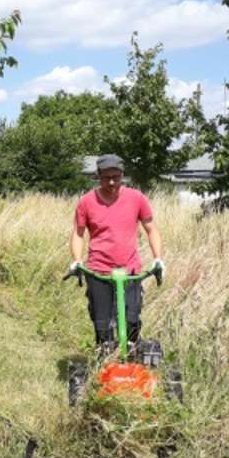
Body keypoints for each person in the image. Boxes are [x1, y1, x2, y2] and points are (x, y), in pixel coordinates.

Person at [69, 154, 164, 360]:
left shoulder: (136, 198)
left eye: (116, 176)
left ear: (122, 175)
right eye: (106, 177)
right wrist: (77, 260)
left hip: (129, 271)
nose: (111, 182)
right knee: (102, 325)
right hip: (98, 271)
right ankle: (103, 365)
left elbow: (151, 228)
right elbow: (78, 233)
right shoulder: (86, 202)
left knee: (131, 322)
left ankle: (132, 362)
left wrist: (158, 258)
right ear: (98, 176)